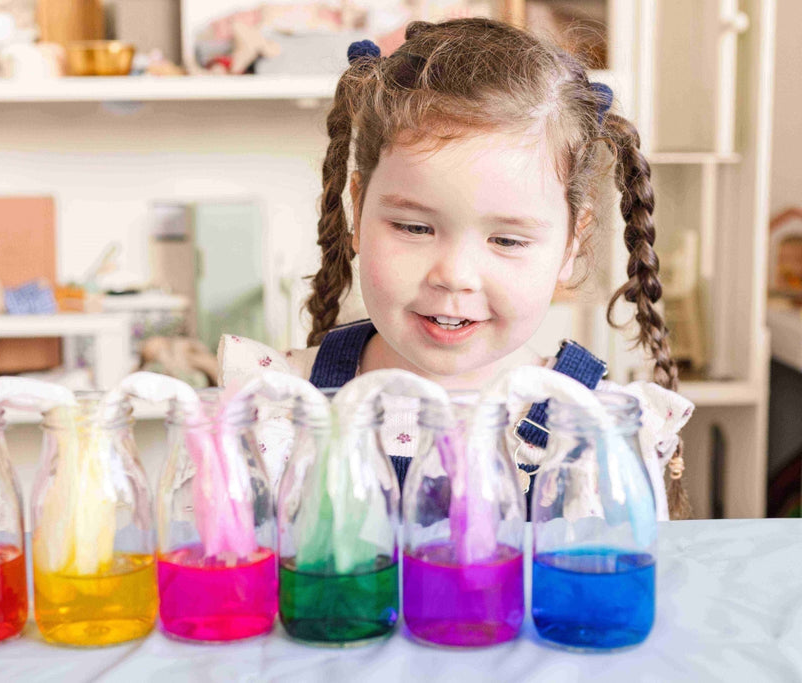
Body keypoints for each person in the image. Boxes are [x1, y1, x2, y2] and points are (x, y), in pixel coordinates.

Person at [219, 18, 693, 519]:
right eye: (415, 228)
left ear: (571, 242)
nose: (454, 275)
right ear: (358, 211)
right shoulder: (276, 408)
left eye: (507, 239)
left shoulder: (596, 433)